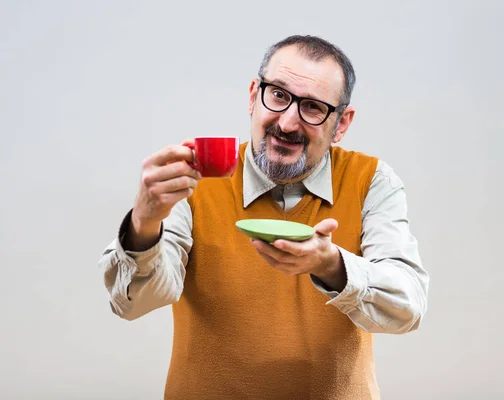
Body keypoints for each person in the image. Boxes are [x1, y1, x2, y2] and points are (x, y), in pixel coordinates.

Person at [99, 34, 429, 400]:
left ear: (342, 124)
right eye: (278, 95)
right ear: (254, 95)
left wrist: (333, 265)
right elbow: (133, 304)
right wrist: (145, 223)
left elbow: (408, 307)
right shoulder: (194, 178)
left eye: (314, 108)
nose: (287, 123)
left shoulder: (372, 181)